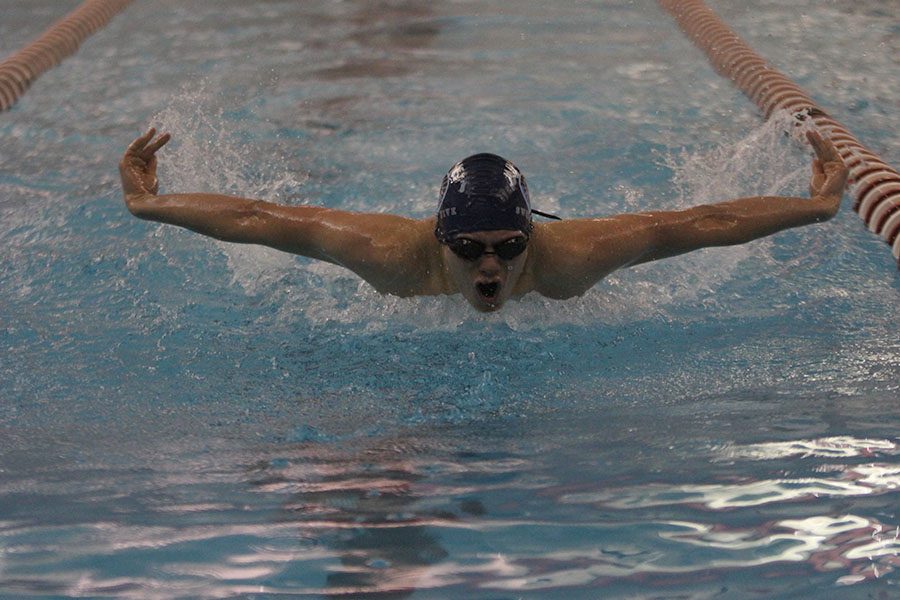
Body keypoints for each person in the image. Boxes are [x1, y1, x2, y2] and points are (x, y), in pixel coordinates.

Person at [119, 128, 847, 312]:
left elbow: (706, 221)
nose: (492, 267)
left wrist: (816, 208)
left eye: (509, 247)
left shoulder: (572, 258)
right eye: (470, 249)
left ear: (534, 236)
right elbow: (260, 216)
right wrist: (150, 204)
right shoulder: (388, 254)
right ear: (441, 240)